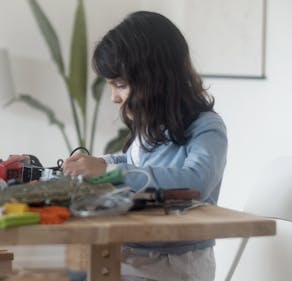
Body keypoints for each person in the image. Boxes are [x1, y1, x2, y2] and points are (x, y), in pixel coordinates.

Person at [62, 11, 227, 281]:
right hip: (134, 249)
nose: (114, 97)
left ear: (155, 80)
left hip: (175, 262)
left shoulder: (206, 127)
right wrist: (97, 163)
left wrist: (107, 171)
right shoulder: (151, 127)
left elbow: (196, 182)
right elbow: (135, 163)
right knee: (76, 273)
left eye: (121, 85)